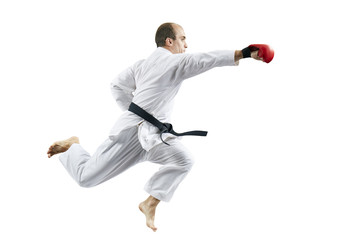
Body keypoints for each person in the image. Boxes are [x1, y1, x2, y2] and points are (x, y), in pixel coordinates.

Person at [47, 22, 264, 232]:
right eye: (183, 39)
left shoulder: (141, 65)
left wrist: (133, 110)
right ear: (169, 41)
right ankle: (73, 145)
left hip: (152, 137)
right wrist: (244, 53)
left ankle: (150, 203)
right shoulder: (173, 62)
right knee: (85, 178)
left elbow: (117, 85)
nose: (186, 45)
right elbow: (206, 59)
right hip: (131, 134)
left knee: (184, 160)